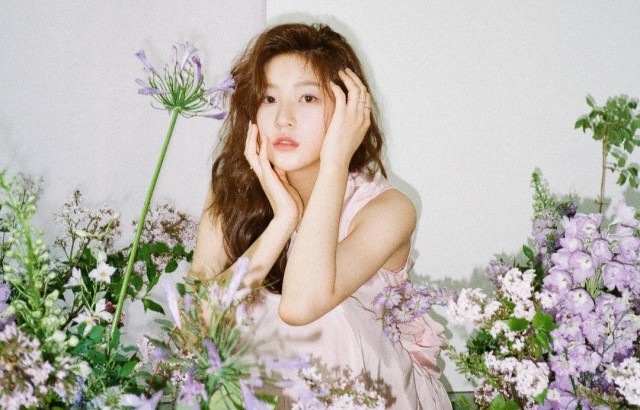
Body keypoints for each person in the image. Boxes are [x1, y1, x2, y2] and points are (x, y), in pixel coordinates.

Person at [189, 23, 451, 409]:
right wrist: (282, 221)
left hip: (373, 394)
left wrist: (335, 163)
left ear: (348, 111)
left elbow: (301, 307)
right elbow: (192, 331)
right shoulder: (230, 192)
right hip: (268, 396)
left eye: (308, 98)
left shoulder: (389, 209)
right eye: (269, 98)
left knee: (325, 317)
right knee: (246, 311)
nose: (284, 118)